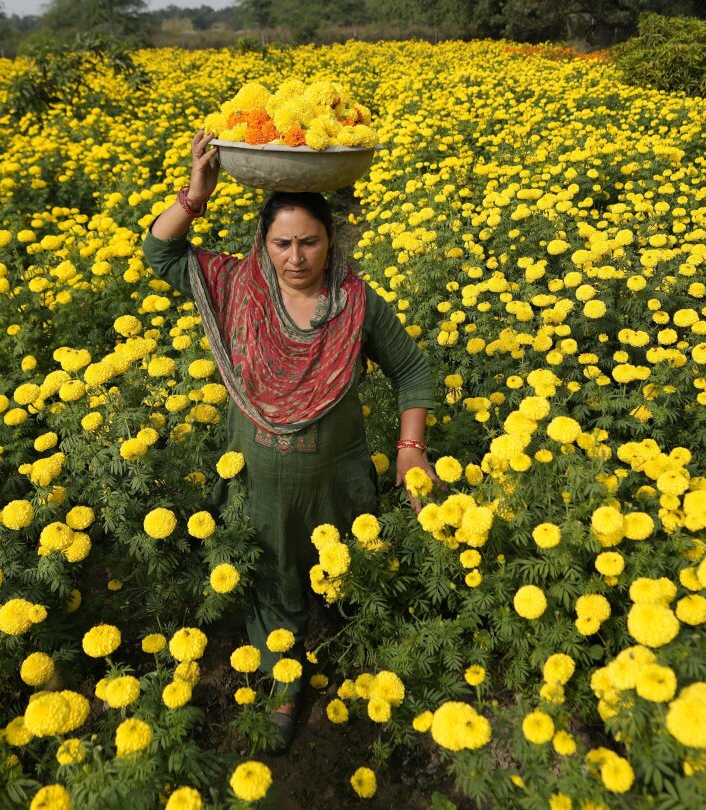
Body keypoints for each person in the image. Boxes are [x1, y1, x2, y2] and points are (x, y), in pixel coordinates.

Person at [140, 129, 437, 752]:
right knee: (274, 574)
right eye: (282, 243)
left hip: (339, 478)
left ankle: (361, 651)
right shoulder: (235, 286)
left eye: (309, 241)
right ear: (263, 243)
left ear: (332, 242)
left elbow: (412, 371)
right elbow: (162, 254)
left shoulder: (356, 304)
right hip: (261, 477)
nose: (296, 256)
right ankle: (283, 677)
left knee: (349, 575)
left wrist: (412, 451)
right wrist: (197, 194)